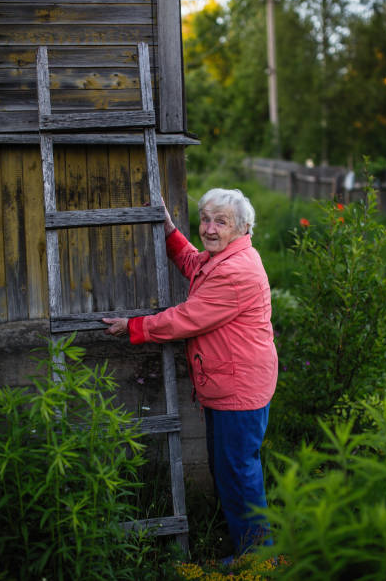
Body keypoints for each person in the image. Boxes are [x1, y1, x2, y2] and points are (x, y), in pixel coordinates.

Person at [103, 188, 278, 558]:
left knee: (238, 473)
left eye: (221, 222)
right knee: (230, 469)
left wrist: (134, 327)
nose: (210, 229)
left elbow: (186, 318)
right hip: (229, 384)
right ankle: (253, 551)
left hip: (239, 387)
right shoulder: (225, 257)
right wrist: (167, 227)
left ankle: (260, 557)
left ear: (243, 227)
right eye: (205, 219)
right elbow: (191, 260)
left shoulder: (234, 271)